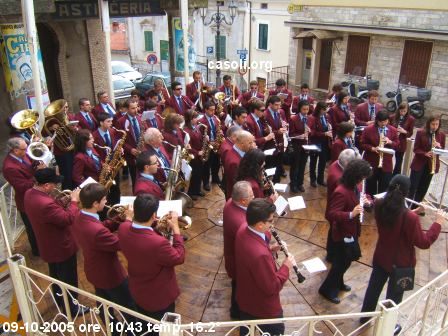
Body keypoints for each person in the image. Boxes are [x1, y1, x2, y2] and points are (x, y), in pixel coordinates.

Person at [360, 175, 443, 328]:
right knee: (394, 297)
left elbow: (396, 218)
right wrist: (437, 223)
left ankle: (364, 318)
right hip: (401, 264)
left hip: (381, 256)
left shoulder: (379, 204)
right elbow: (423, 242)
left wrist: (415, 211)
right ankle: (387, 327)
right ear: (406, 192)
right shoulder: (409, 218)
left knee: (373, 288)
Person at [72, 183, 134, 332]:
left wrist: (119, 217)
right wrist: (128, 221)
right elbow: (120, 243)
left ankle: (113, 331)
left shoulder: (80, 215)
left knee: (104, 306)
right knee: (129, 308)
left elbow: (102, 226)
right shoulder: (96, 231)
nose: (107, 202)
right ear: (95, 203)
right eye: (105, 200)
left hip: (94, 271)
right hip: (110, 275)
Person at [24, 168, 86, 314]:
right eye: (54, 184)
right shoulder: (45, 203)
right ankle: (72, 308)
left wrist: (64, 201)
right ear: (45, 185)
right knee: (68, 279)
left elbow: (50, 214)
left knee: (56, 276)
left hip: (48, 245)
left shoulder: (29, 194)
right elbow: (67, 218)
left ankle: (60, 301)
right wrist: (75, 202)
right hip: (61, 246)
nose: (56, 187)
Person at [118, 194, 185, 327]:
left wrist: (130, 217)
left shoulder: (123, 228)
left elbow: (128, 221)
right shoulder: (158, 243)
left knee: (144, 325)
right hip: (159, 297)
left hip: (137, 290)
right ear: (154, 215)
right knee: (164, 329)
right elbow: (179, 257)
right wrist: (176, 230)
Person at [235, 198, 293, 336]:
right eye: (271, 221)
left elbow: (253, 253)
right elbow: (271, 287)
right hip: (262, 308)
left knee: (247, 330)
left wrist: (271, 248)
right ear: (260, 225)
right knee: (277, 331)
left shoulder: (243, 228)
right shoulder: (260, 255)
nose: (272, 224)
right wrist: (286, 266)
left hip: (246, 299)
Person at [319, 159, 372, 304]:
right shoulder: (341, 192)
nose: (362, 181)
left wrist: (367, 201)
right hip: (343, 233)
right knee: (341, 263)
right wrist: (350, 214)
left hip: (351, 230)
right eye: (361, 178)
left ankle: (339, 283)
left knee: (345, 261)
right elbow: (331, 214)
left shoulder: (355, 186)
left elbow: (361, 196)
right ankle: (328, 289)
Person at [2, 137, 44, 256]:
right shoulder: (9, 167)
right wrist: (38, 174)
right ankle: (37, 251)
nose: (27, 151)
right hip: (26, 201)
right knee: (32, 228)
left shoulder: (22, 155)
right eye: (24, 149)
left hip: (35, 195)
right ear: (15, 150)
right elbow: (22, 186)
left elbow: (30, 166)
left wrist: (37, 163)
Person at [223, 181, 254, 319]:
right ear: (243, 201)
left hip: (232, 257)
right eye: (252, 196)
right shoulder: (240, 222)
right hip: (238, 262)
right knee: (238, 287)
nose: (254, 197)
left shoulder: (230, 202)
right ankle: (236, 312)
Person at [325, 149, 361, 262]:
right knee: (335, 235)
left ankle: (330, 254)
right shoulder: (338, 179)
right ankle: (333, 255)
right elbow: (345, 195)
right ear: (347, 164)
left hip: (337, 209)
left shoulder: (337, 163)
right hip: (340, 212)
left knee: (332, 233)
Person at [409, 115, 446, 205]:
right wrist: (425, 153)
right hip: (419, 163)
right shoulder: (421, 132)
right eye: (433, 124)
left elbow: (442, 151)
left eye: (437, 124)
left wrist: (439, 147)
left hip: (430, 166)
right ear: (429, 123)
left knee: (423, 187)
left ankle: (416, 206)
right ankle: (407, 205)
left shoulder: (441, 135)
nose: (435, 126)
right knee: (413, 186)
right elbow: (416, 149)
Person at [361, 110, 399, 196]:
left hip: (386, 164)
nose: (383, 124)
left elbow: (397, 144)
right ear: (377, 121)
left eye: (385, 121)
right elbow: (362, 143)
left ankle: (380, 205)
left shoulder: (393, 130)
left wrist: (390, 142)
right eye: (381, 122)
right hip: (372, 161)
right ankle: (370, 203)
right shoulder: (368, 129)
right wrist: (372, 148)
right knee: (370, 185)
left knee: (385, 186)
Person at [93, 113, 121, 205]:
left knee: (116, 187)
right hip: (103, 166)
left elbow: (115, 144)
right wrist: (103, 164)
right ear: (101, 123)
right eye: (108, 121)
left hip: (114, 164)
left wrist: (120, 149)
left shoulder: (112, 131)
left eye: (111, 121)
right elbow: (94, 153)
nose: (111, 123)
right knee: (106, 189)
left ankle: (116, 205)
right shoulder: (94, 135)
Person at [117, 98, 144, 187]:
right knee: (135, 180)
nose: (136, 110)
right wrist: (130, 149)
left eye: (136, 107)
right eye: (133, 108)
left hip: (142, 152)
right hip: (131, 156)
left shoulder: (140, 118)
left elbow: (145, 131)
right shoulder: (121, 121)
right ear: (127, 109)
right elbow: (120, 140)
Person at [223, 130, 256, 199]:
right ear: (242, 144)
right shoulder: (234, 162)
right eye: (250, 143)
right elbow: (240, 184)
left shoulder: (236, 150)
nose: (252, 145)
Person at [199, 101, 222, 190]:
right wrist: (208, 141)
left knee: (216, 163)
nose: (213, 112)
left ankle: (215, 178)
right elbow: (199, 135)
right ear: (205, 110)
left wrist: (220, 133)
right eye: (211, 110)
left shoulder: (216, 119)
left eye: (214, 110)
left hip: (216, 144)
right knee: (206, 165)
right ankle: (206, 182)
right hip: (207, 146)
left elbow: (219, 129)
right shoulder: (201, 121)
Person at [264, 95, 288, 183]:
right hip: (270, 145)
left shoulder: (280, 112)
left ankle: (277, 182)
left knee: (278, 164)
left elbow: (282, 123)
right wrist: (277, 131)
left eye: (279, 105)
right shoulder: (265, 114)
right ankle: (268, 186)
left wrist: (285, 126)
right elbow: (264, 132)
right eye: (276, 105)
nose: (278, 107)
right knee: (270, 166)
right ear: (270, 104)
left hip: (280, 143)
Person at [308, 101, 332, 187]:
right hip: (315, 142)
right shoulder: (312, 118)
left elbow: (328, 127)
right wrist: (324, 134)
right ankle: (313, 180)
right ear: (319, 109)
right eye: (323, 110)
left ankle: (320, 179)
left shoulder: (326, 117)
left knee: (322, 161)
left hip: (324, 142)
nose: (325, 111)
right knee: (313, 161)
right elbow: (312, 132)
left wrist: (329, 129)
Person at [289, 100, 310, 193]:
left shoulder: (309, 118)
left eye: (307, 109)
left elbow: (311, 132)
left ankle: (300, 183)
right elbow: (291, 134)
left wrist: (310, 132)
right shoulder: (293, 119)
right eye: (304, 109)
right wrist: (300, 135)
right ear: (299, 109)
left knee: (303, 165)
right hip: (296, 145)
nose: (306, 111)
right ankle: (293, 184)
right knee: (295, 166)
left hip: (305, 146)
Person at [183, 109, 205, 199]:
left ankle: (197, 190)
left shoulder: (195, 127)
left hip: (199, 155)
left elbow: (199, 138)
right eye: (195, 118)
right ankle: (191, 192)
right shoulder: (186, 131)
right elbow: (187, 147)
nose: (197, 119)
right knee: (195, 174)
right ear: (190, 119)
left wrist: (205, 138)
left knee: (199, 173)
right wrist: (197, 152)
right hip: (193, 156)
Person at [391, 103, 415, 175]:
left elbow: (410, 133)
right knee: (388, 160)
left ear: (407, 111)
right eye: (401, 111)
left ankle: (395, 177)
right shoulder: (392, 117)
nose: (402, 113)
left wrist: (404, 131)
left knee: (399, 162)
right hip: (391, 141)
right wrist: (395, 130)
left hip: (401, 143)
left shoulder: (411, 119)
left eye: (404, 111)